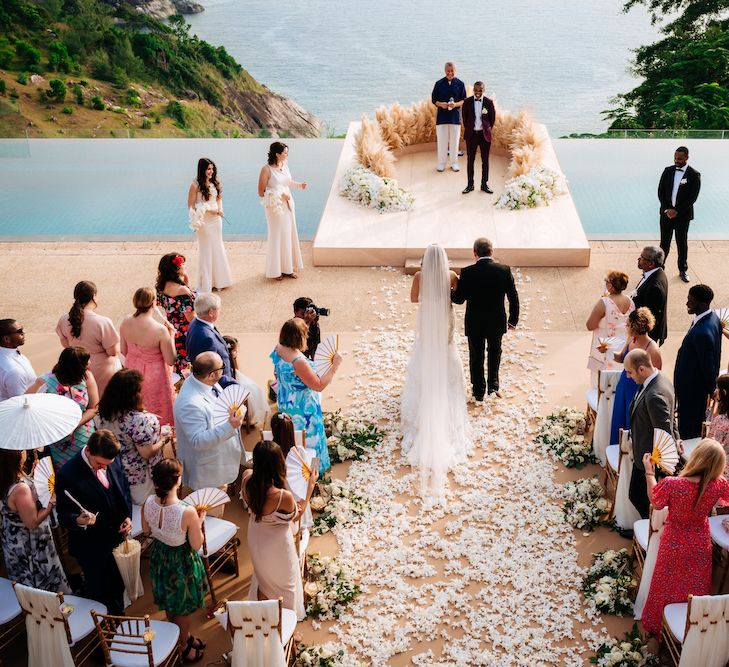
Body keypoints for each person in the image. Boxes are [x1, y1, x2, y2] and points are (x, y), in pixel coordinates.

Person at [640, 439, 729, 638]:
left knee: (663, 586)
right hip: (700, 544)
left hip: (673, 542)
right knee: (695, 588)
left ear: (696, 457)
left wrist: (649, 473)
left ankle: (658, 629)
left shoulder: (673, 484)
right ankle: (689, 629)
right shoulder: (719, 485)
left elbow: (656, 502)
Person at [401, 244, 470, 501]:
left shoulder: (420, 277)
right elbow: (458, 295)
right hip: (444, 324)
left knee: (424, 358)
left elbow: (413, 299)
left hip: (428, 325)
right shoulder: (451, 276)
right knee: (447, 358)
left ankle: (425, 406)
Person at [55, 429, 132, 615]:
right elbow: (63, 515)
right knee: (100, 594)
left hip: (116, 538)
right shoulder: (67, 474)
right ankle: (105, 636)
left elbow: (123, 490)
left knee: (118, 585)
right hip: (91, 547)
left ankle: (119, 623)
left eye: (107, 465)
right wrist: (78, 520)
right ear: (88, 450)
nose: (103, 468)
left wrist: (127, 516)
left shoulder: (111, 458)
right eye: (99, 464)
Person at [241, 440, 317, 621]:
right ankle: (286, 626)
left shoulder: (246, 478)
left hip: (256, 536)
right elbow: (296, 516)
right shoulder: (282, 496)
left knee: (263, 579)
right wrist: (309, 488)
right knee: (286, 585)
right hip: (277, 545)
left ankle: (266, 619)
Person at [142, 459, 207, 663]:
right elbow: (196, 545)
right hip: (181, 561)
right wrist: (200, 521)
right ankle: (181, 646)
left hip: (160, 556)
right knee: (183, 607)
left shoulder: (148, 501)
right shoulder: (186, 511)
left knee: (171, 601)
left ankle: (183, 637)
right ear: (177, 481)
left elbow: (146, 531)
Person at [451, 237, 519, 401]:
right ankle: (493, 387)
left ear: (474, 253)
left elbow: (459, 299)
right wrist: (512, 320)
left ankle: (478, 391)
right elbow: (513, 297)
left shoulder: (467, 272)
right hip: (496, 321)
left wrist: (449, 290)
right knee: (495, 352)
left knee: (476, 355)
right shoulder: (504, 270)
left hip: (475, 322)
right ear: (492, 252)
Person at [271, 318, 341, 473]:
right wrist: (334, 367)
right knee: (311, 443)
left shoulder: (278, 348)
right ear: (299, 337)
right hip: (303, 409)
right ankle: (314, 473)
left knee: (293, 441)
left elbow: (276, 373)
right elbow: (319, 385)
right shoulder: (298, 361)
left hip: (286, 401)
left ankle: (296, 471)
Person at [173, 352, 242, 497]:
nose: (224, 369)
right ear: (211, 375)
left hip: (219, 459)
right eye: (222, 367)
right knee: (211, 514)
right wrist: (231, 425)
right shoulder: (189, 403)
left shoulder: (205, 382)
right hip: (208, 472)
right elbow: (198, 441)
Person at [0, 450, 69, 593]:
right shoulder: (20, 489)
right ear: (16, 457)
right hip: (32, 547)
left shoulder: (7, 478)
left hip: (15, 543)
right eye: (21, 450)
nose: (25, 451)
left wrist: (32, 477)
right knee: (44, 588)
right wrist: (50, 504)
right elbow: (32, 522)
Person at [96, 369, 166, 506]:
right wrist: (164, 439)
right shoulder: (140, 421)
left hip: (114, 470)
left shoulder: (102, 413)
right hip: (140, 476)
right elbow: (147, 452)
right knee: (146, 509)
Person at [624, 349, 677, 520]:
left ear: (641, 369)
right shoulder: (659, 379)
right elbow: (672, 416)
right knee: (638, 496)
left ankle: (651, 529)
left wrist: (656, 467)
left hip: (648, 459)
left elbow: (664, 431)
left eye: (629, 372)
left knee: (637, 496)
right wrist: (679, 435)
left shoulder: (655, 395)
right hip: (643, 452)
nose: (627, 376)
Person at [26, 347, 98, 470]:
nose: (90, 363)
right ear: (76, 366)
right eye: (87, 361)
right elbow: (26, 404)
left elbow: (93, 408)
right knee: (66, 475)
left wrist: (74, 424)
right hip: (58, 441)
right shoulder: (45, 382)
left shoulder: (86, 377)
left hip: (84, 436)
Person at [120, 287, 176, 426]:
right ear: (153, 304)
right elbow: (171, 360)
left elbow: (123, 350)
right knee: (158, 411)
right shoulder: (159, 330)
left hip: (131, 370)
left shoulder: (126, 321)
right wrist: (172, 336)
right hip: (155, 376)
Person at [674, 284, 722, 439]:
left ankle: (688, 459)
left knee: (689, 429)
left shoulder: (702, 333)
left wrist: (711, 390)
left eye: (691, 301)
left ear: (703, 304)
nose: (687, 303)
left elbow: (708, 365)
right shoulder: (712, 317)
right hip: (694, 389)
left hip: (692, 391)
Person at [56, 280, 120, 397]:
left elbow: (65, 344)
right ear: (94, 296)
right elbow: (112, 351)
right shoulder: (102, 322)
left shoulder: (63, 319)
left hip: (75, 367)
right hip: (101, 370)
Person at [610, 308, 662, 447]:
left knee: (632, 422)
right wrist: (608, 350)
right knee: (619, 418)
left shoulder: (652, 349)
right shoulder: (630, 340)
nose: (626, 327)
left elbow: (656, 378)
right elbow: (621, 358)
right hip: (624, 385)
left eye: (628, 325)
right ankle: (617, 450)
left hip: (638, 390)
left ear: (634, 327)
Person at [258, 142, 305, 280]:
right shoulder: (266, 170)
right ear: (277, 154)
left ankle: (288, 268)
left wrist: (300, 185)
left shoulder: (284, 165)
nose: (286, 155)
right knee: (277, 236)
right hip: (275, 209)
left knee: (288, 235)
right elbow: (261, 192)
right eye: (285, 153)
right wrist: (279, 196)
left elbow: (287, 182)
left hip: (288, 205)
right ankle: (276, 270)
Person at [188, 157, 233, 293]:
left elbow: (219, 199)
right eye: (208, 169)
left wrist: (220, 209)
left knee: (217, 247)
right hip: (204, 222)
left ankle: (219, 281)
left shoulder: (215, 182)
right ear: (202, 169)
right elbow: (191, 206)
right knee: (207, 250)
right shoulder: (195, 185)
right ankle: (206, 283)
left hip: (216, 220)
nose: (211, 171)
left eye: (212, 169)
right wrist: (209, 209)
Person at [657, 146, 701, 282]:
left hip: (682, 216)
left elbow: (692, 197)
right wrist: (667, 209)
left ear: (687, 157)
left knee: (682, 243)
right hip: (666, 214)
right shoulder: (668, 171)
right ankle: (659, 269)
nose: (677, 160)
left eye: (680, 158)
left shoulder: (694, 174)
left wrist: (677, 211)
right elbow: (661, 191)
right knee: (664, 243)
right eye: (675, 158)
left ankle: (683, 270)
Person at [586, 270, 634, 386]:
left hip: (604, 346)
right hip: (621, 346)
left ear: (611, 285)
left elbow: (590, 325)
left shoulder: (604, 303)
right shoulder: (631, 302)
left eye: (606, 281)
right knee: (616, 381)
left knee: (600, 383)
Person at [270, 411, 313, 531]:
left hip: (280, 501)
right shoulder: (298, 452)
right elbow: (308, 474)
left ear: (273, 431)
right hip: (299, 499)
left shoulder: (271, 453)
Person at [156, 252, 196, 375]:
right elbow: (191, 318)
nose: (185, 266)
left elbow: (175, 307)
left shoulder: (160, 288)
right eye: (183, 264)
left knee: (181, 365)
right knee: (191, 363)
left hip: (174, 330)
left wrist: (185, 282)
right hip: (187, 333)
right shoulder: (182, 291)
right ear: (176, 269)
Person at [185, 292, 236, 388]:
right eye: (218, 309)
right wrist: (231, 386)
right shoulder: (207, 339)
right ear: (211, 312)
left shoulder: (195, 322)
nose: (220, 311)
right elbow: (211, 371)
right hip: (222, 385)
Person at [223, 335, 267, 425]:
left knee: (255, 388)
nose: (237, 352)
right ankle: (248, 417)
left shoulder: (232, 360)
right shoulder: (226, 364)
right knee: (252, 390)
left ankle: (249, 416)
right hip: (233, 384)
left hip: (236, 379)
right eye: (235, 350)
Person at [461, 81, 496, 194]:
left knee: (485, 161)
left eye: (480, 90)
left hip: (484, 136)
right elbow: (464, 118)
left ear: (483, 90)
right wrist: (470, 129)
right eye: (476, 90)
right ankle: (470, 185)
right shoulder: (467, 102)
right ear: (473, 90)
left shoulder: (489, 102)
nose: (478, 92)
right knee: (470, 161)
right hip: (471, 136)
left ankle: (484, 184)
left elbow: (492, 119)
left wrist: (486, 129)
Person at [431, 61, 466, 172]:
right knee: (442, 141)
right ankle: (441, 163)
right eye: (448, 71)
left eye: (452, 71)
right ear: (445, 70)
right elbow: (434, 100)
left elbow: (463, 100)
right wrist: (441, 104)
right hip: (442, 118)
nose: (450, 73)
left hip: (455, 118)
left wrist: (455, 104)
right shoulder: (438, 83)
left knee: (454, 142)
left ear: (455, 71)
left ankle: (454, 163)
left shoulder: (461, 84)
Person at [631, 246, 668, 346]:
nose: (638, 259)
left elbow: (650, 317)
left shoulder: (654, 287)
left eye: (642, 258)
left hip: (644, 336)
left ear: (651, 264)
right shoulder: (656, 272)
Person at [0, 319, 36, 399]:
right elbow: (21, 403)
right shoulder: (13, 371)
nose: (23, 333)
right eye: (19, 331)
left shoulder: (10, 352)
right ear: (6, 339)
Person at [709, 375, 729, 458]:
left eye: (717, 388)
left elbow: (712, 447)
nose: (715, 391)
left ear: (724, 392)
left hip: (721, 466)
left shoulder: (721, 421)